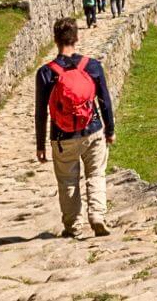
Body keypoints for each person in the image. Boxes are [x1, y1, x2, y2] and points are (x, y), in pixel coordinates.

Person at [35, 19, 115, 238]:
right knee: (96, 174)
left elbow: (41, 112)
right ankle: (97, 216)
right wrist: (110, 130)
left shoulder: (45, 73)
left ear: (55, 40)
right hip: (93, 130)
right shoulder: (92, 66)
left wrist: (40, 144)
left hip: (62, 137)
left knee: (68, 181)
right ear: (76, 37)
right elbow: (104, 101)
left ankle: (73, 226)